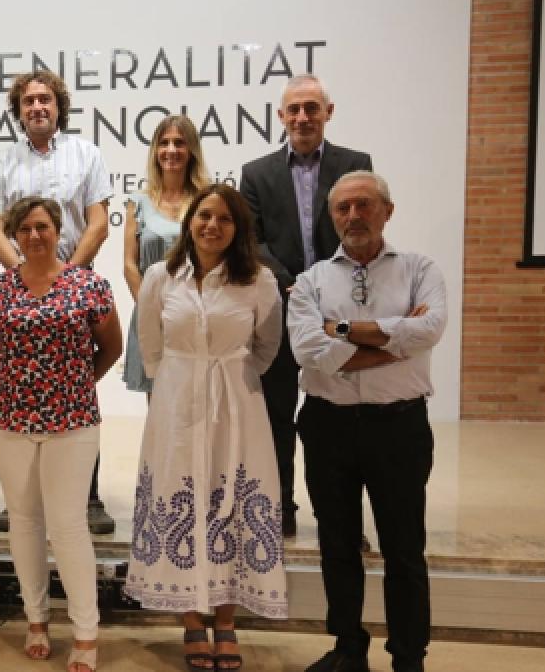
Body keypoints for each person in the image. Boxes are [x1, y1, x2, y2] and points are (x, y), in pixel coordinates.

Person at [288, 171, 447, 672]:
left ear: (387, 211)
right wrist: (393, 343)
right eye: (343, 208)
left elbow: (429, 328)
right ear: (332, 217)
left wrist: (341, 333)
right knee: (337, 545)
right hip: (327, 426)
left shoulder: (420, 269)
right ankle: (348, 648)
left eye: (364, 205)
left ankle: (408, 655)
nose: (354, 216)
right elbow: (309, 351)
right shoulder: (311, 280)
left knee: (404, 548)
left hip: (398, 427)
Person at [125, 184, 285, 672]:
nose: (213, 226)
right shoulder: (160, 275)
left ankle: (227, 624)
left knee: (229, 505)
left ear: (238, 229)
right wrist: (179, 383)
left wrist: (229, 378)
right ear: (190, 221)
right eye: (204, 216)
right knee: (184, 500)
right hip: (176, 403)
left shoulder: (258, 279)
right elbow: (150, 345)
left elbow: (267, 345)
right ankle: (193, 624)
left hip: (238, 405)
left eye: (224, 219)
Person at [0, 197, 122, 672]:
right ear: (14, 236)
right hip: (8, 421)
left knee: (68, 526)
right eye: (25, 229)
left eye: (43, 227)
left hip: (72, 421)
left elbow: (111, 348)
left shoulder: (89, 285)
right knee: (23, 522)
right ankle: (36, 619)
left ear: (58, 231)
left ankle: (85, 630)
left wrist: (71, 385)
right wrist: (25, 387)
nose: (34, 236)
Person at [0, 70, 116, 535]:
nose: (38, 107)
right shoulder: (4, 162)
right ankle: (22, 498)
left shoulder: (86, 153)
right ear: (18, 111)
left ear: (59, 107)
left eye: (46, 100)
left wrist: (69, 274)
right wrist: (22, 269)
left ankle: (87, 497)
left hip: (74, 285)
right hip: (21, 291)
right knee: (19, 392)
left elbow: (98, 221)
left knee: (78, 393)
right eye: (29, 101)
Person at [240, 74, 372, 537]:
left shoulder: (356, 164)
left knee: (339, 417)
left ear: (328, 112)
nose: (302, 117)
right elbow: (252, 240)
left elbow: (361, 230)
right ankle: (280, 514)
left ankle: (342, 520)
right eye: (294, 109)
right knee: (277, 417)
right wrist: (292, 284)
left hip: (339, 313)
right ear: (281, 117)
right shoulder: (255, 173)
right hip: (279, 309)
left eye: (312, 108)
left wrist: (321, 290)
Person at [122, 114, 209, 396]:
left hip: (198, 316)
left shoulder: (207, 200)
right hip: (152, 319)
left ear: (191, 150)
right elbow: (129, 266)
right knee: (159, 410)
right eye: (164, 143)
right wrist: (152, 312)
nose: (171, 150)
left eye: (179, 143)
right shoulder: (138, 202)